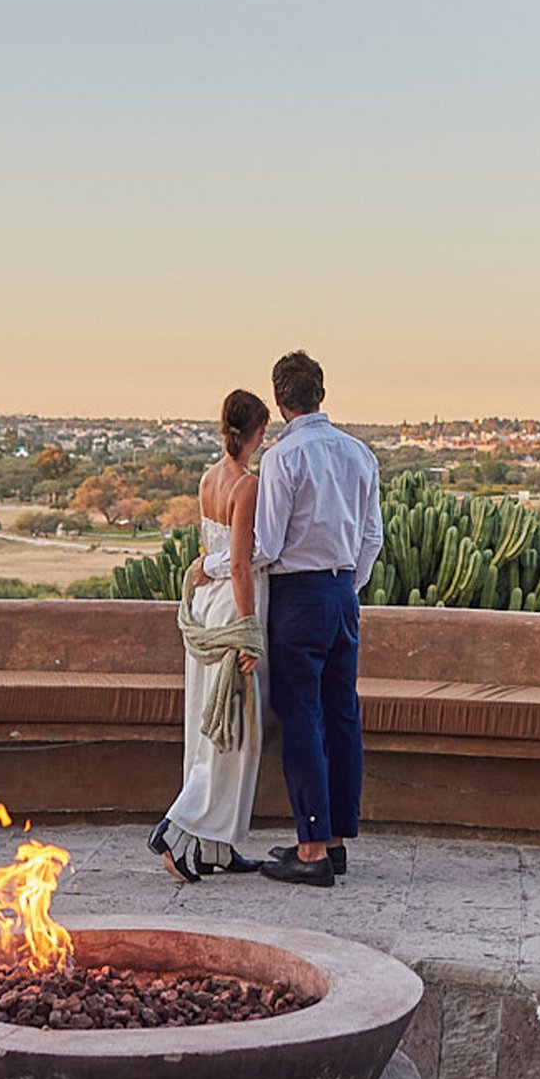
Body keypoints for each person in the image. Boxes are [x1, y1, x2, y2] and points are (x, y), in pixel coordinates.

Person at [249, 350, 383, 887]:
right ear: (321, 393)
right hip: (342, 594)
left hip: (299, 596)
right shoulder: (359, 454)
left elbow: (267, 544)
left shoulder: (285, 457)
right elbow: (372, 538)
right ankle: (334, 838)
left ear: (280, 401)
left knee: (302, 716)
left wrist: (214, 564)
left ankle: (310, 850)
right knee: (341, 713)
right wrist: (345, 587)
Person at [147, 391, 274, 882]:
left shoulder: (206, 479)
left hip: (205, 605)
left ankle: (216, 848)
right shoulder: (247, 485)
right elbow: (239, 564)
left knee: (207, 723)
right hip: (230, 609)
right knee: (234, 733)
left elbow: (211, 551)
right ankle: (178, 828)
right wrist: (249, 631)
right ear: (255, 432)